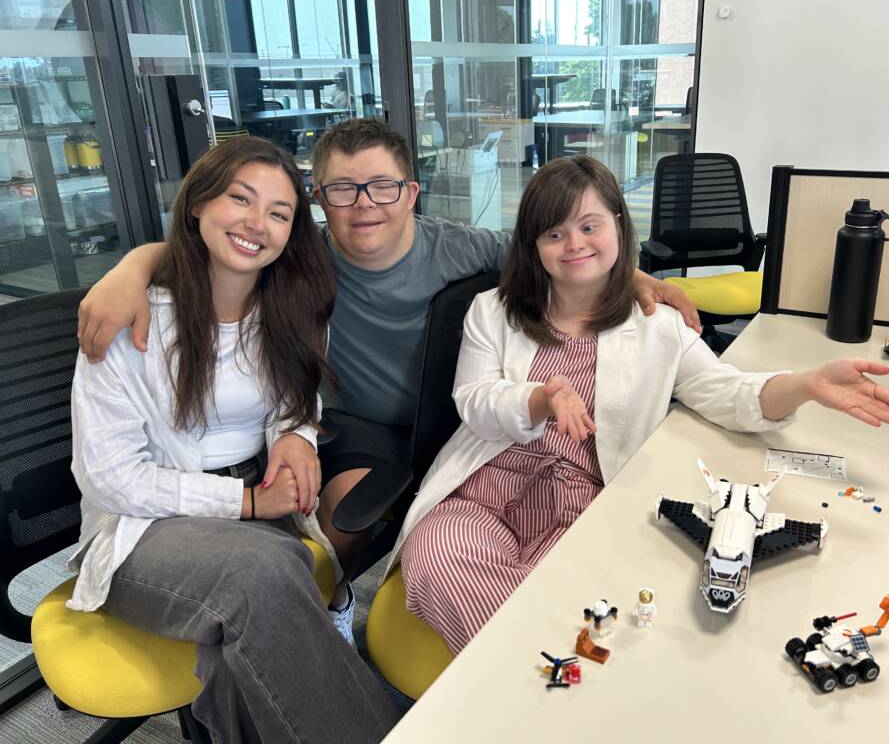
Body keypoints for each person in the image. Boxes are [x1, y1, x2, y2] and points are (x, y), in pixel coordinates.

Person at [74, 118, 700, 639]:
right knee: (340, 515)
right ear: (319, 200)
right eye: (342, 190)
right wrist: (134, 264)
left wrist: (634, 280)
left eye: (381, 186)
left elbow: (564, 252)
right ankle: (332, 610)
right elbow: (218, 245)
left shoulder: (463, 248)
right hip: (350, 424)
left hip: (456, 421)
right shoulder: (301, 254)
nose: (364, 204)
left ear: (413, 192)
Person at [391, 155, 889, 654]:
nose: (574, 243)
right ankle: (528, 677)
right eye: (554, 233)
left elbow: (727, 395)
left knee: (575, 592)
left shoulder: (657, 327)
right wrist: (540, 398)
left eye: (590, 226)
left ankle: (515, 683)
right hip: (485, 484)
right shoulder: (494, 311)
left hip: (583, 498)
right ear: (534, 244)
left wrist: (805, 384)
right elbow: (475, 402)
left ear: (619, 224)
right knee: (435, 557)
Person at [68, 137, 398, 743]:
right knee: (266, 573)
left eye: (278, 213)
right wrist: (244, 505)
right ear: (197, 203)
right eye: (239, 199)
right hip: (142, 529)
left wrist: (296, 434)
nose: (257, 223)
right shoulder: (130, 317)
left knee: (235, 659)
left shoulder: (290, 305)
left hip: (258, 500)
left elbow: (293, 401)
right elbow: (110, 478)